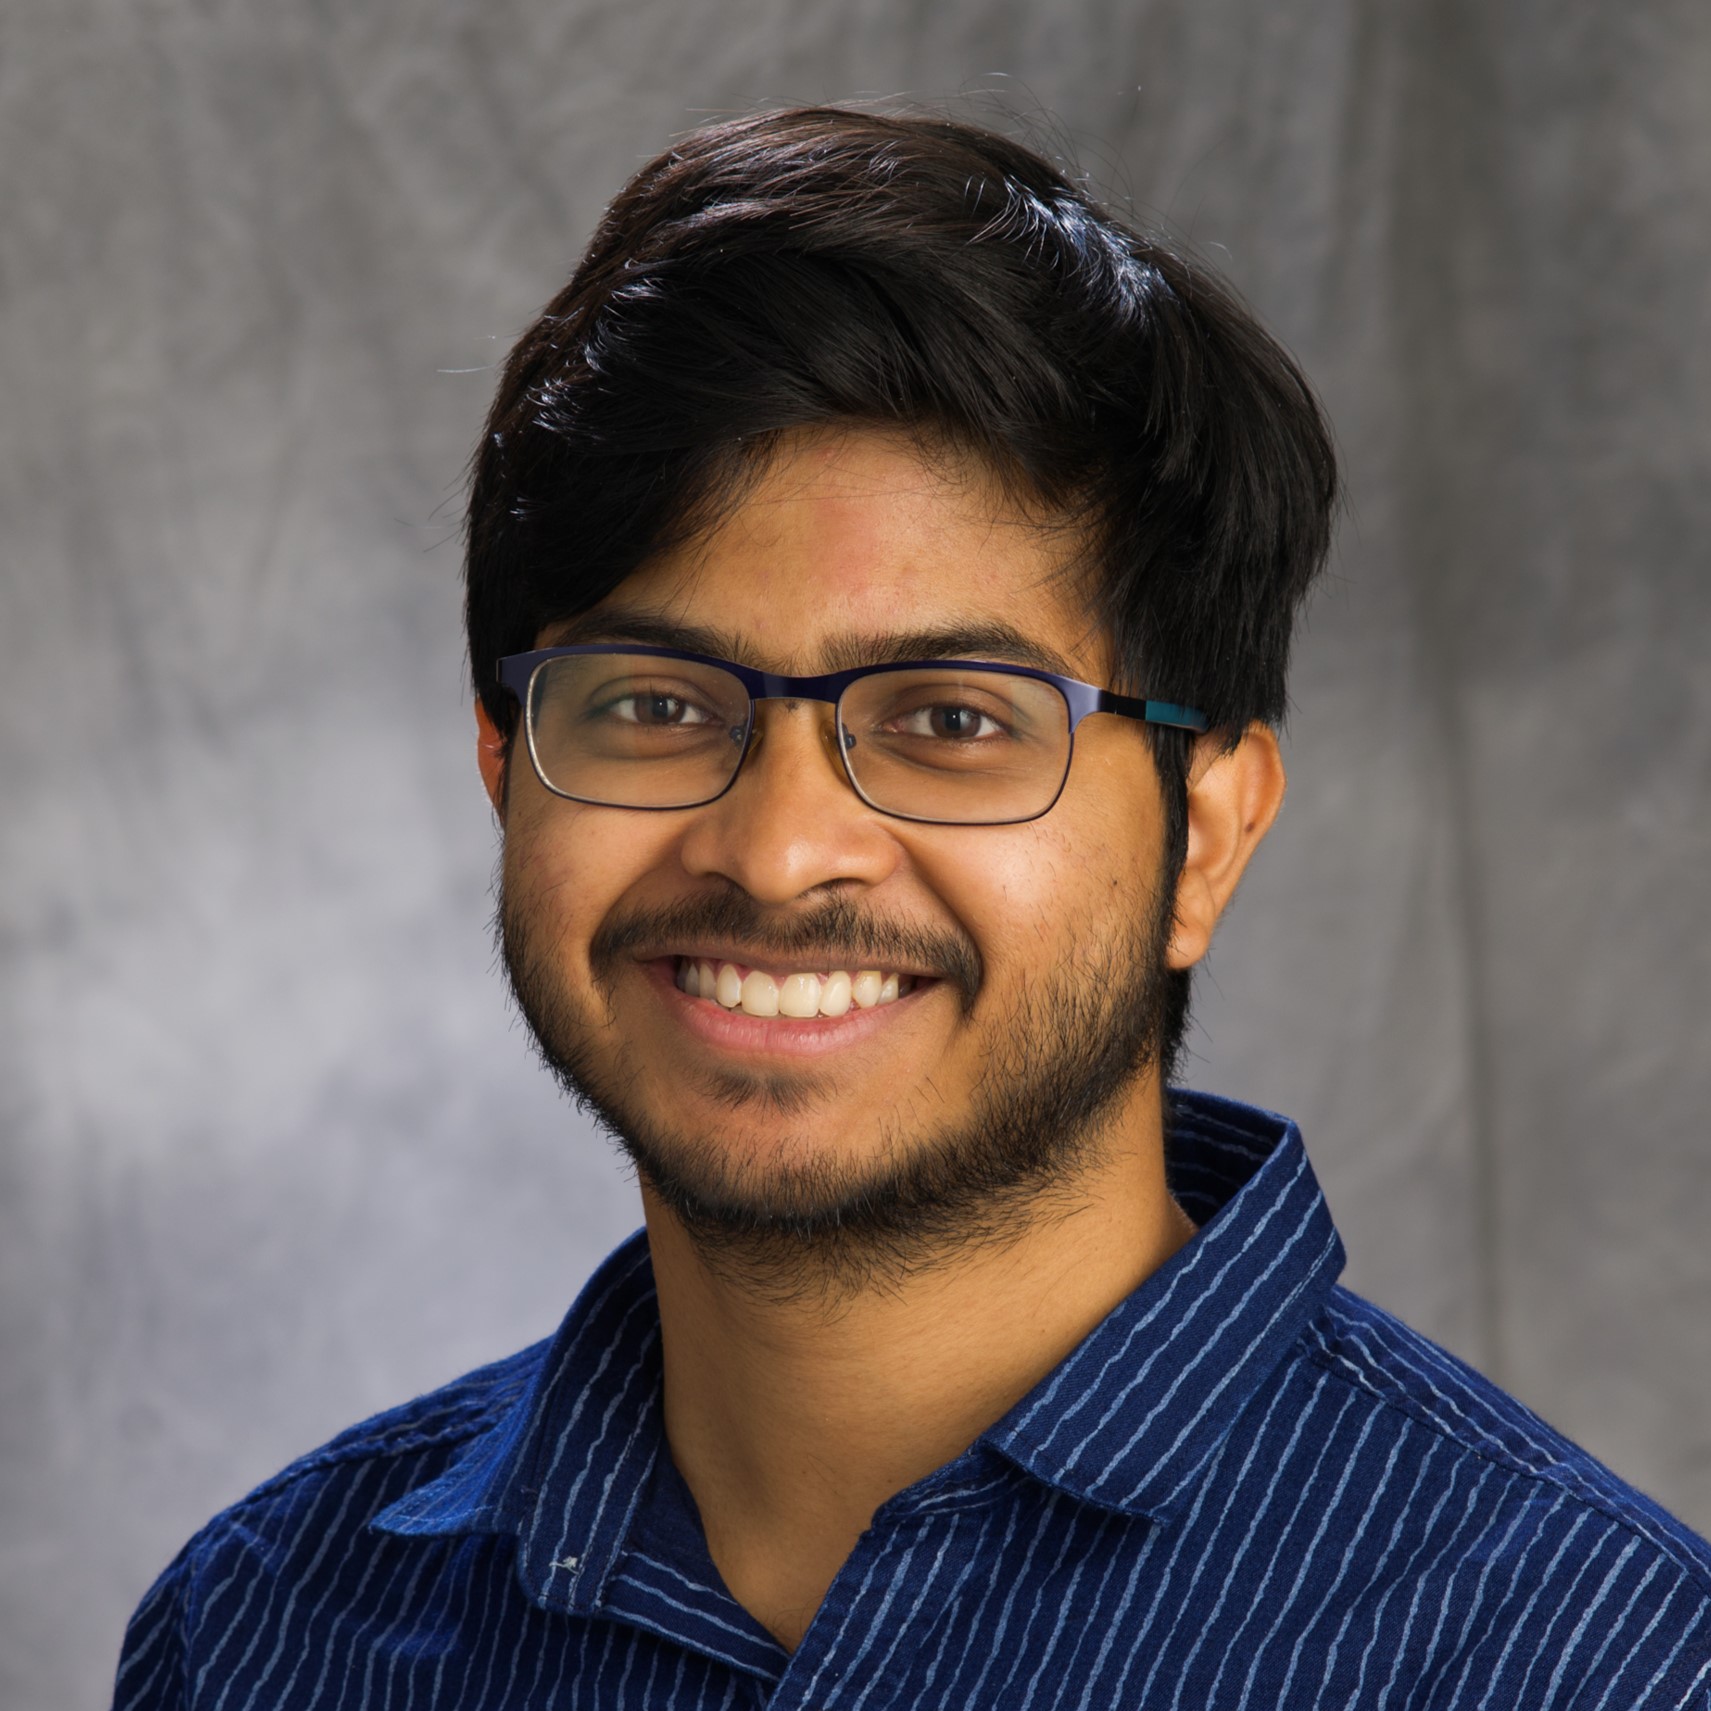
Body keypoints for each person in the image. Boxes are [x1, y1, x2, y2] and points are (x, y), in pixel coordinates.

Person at [113, 107, 1711, 1710]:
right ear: (503, 767)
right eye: (657, 706)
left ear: (1205, 835)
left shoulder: (1595, 1662)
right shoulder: (264, 1635)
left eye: (953, 718)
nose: (781, 851)